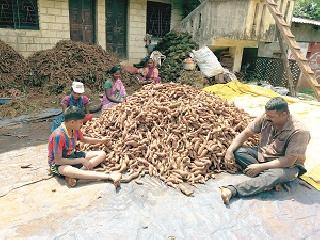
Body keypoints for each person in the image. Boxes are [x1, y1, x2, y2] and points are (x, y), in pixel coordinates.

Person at [220, 97, 310, 204]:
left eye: (271, 116)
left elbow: (289, 160)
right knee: (239, 152)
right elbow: (245, 133)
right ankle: (272, 181)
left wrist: (260, 167)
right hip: (264, 156)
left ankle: (232, 190)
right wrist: (229, 151)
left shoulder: (299, 131)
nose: (267, 118)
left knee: (275, 175)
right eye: (266, 114)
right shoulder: (266, 117)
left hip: (288, 166)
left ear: (284, 114)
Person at [48, 106, 121, 187]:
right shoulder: (58, 135)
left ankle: (75, 175)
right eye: (80, 122)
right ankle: (109, 176)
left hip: (73, 156)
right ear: (72, 122)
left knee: (102, 154)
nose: (82, 124)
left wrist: (101, 141)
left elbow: (84, 139)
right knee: (66, 169)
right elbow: (58, 161)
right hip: (59, 164)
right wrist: (81, 160)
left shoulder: (73, 129)